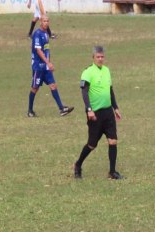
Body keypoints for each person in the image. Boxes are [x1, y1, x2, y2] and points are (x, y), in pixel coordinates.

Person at [74, 46, 123, 180]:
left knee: (113, 141)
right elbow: (84, 92)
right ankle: (78, 165)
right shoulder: (87, 72)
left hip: (108, 112)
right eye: (98, 57)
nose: (100, 59)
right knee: (92, 144)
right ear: (93, 58)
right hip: (95, 114)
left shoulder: (107, 71)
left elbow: (110, 90)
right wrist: (89, 110)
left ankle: (112, 172)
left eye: (102, 57)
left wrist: (115, 107)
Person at [27, 16, 73, 118]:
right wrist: (48, 62)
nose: (46, 23)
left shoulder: (46, 34)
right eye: (44, 21)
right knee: (35, 88)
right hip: (38, 67)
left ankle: (62, 109)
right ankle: (30, 110)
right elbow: (38, 51)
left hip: (46, 68)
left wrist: (47, 63)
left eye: (47, 21)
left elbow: (44, 49)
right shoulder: (37, 34)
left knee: (53, 85)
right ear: (40, 23)